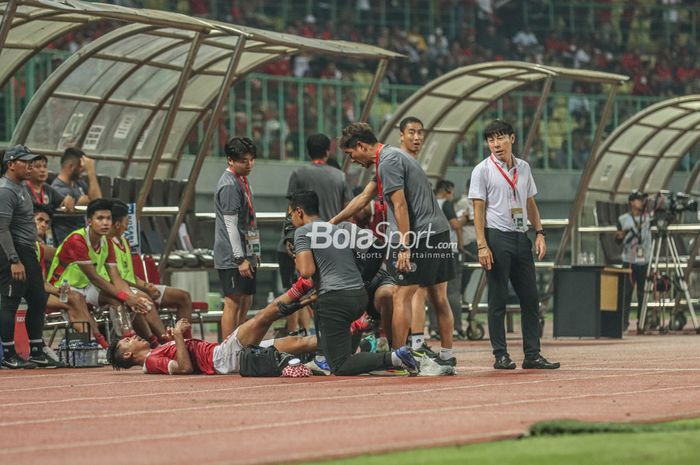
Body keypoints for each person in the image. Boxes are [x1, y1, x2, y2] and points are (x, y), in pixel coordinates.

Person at [334, 122, 456, 367]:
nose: (353, 160)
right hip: (438, 232)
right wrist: (333, 222)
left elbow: (399, 206)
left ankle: (398, 359)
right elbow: (363, 199)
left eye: (351, 154)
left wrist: (403, 246)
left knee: (401, 295)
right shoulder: (391, 157)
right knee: (438, 297)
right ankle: (446, 357)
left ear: (360, 145)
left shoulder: (387, 162)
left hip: (420, 236)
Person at [289, 190, 418, 375]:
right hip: (359, 295)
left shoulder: (302, 232)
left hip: (336, 298)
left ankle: (394, 358)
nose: (290, 219)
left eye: (290, 214)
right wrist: (363, 279)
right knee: (345, 351)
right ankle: (376, 351)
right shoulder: (341, 228)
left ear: (299, 212)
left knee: (340, 365)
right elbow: (379, 246)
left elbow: (306, 271)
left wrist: (298, 258)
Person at [469, 119, 559, 370]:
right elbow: (478, 209)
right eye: (491, 140)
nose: (496, 144)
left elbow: (529, 202)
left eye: (500, 138)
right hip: (496, 237)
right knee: (498, 299)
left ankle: (532, 354)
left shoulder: (524, 168)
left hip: (521, 237)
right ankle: (501, 355)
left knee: (531, 300)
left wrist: (539, 232)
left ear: (512, 138)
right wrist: (481, 245)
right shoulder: (482, 170)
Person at [107, 283, 319, 375]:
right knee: (264, 316)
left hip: (223, 355)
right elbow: (184, 368)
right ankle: (303, 287)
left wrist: (178, 339)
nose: (132, 337)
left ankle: (349, 331)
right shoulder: (151, 362)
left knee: (299, 344)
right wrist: (179, 336)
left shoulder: (155, 353)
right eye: (127, 341)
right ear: (127, 354)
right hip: (222, 358)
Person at [46, 198, 163, 345]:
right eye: (100, 218)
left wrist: (131, 297)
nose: (105, 223)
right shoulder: (77, 240)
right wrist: (128, 297)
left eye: (108, 218)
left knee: (118, 299)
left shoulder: (106, 242)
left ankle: (139, 342)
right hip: (62, 287)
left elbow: (116, 278)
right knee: (84, 299)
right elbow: (94, 277)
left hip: (85, 286)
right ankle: (101, 345)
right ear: (89, 221)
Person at [277, 134, 353, 335]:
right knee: (324, 291)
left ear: (308, 151)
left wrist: (288, 237)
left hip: (302, 242)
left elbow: (290, 209)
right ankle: (325, 337)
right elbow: (348, 210)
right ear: (328, 151)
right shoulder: (340, 176)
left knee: (295, 290)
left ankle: (296, 335)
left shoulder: (298, 173)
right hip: (329, 243)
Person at [0, 145, 61, 368]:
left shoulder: (20, 187)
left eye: (30, 161)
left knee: (38, 298)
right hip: (12, 251)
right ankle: (8, 354)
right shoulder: (5, 190)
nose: (30, 166)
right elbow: (1, 228)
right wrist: (14, 260)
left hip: (27, 249)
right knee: (11, 301)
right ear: (11, 164)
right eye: (25, 162)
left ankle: (36, 350)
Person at [108, 200, 193, 332]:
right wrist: (145, 289)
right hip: (123, 289)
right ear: (118, 223)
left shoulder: (124, 241)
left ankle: (185, 341)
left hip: (136, 286)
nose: (128, 226)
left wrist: (147, 285)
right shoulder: (106, 244)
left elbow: (130, 274)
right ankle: (164, 340)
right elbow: (116, 279)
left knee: (183, 296)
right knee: (145, 299)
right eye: (126, 221)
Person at [34, 204, 109, 348]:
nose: (43, 225)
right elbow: (35, 282)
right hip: (25, 294)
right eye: (39, 220)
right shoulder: (25, 245)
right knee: (73, 300)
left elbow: (59, 254)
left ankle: (96, 341)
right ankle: (93, 343)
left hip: (40, 290)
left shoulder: (40, 247)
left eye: (46, 222)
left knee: (77, 297)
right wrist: (56, 290)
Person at [214, 137, 260, 337]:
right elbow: (230, 225)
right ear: (230, 160)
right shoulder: (230, 186)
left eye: (251, 160)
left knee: (246, 299)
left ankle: (238, 342)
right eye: (243, 161)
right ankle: (226, 350)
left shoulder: (241, 179)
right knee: (232, 301)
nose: (249, 164)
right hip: (233, 255)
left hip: (245, 250)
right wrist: (239, 258)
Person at [428, 180, 468, 340]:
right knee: (452, 292)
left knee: (432, 292)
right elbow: (455, 224)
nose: (452, 196)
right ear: (444, 191)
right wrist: (464, 218)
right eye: (450, 192)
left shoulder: (428, 203)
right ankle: (457, 328)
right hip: (448, 251)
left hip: (430, 251)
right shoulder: (446, 204)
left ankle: (434, 328)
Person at [50, 147, 103, 244]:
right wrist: (90, 171)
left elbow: (97, 201)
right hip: (68, 241)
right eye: (81, 168)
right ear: (70, 166)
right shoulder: (57, 189)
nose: (83, 171)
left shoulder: (79, 184)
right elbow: (96, 201)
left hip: (84, 239)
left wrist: (90, 171)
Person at [616, 191, 651, 331]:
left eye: (642, 200)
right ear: (631, 202)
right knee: (626, 293)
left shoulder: (649, 218)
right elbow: (617, 240)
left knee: (643, 293)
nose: (641, 202)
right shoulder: (623, 219)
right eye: (638, 200)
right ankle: (623, 324)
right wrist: (620, 235)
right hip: (629, 260)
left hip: (645, 260)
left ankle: (642, 323)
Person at [24, 154, 76, 245]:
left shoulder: (47, 188)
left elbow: (63, 201)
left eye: (45, 167)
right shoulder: (22, 188)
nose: (42, 170)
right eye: (38, 167)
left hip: (45, 231)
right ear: (28, 170)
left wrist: (68, 201)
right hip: (26, 232)